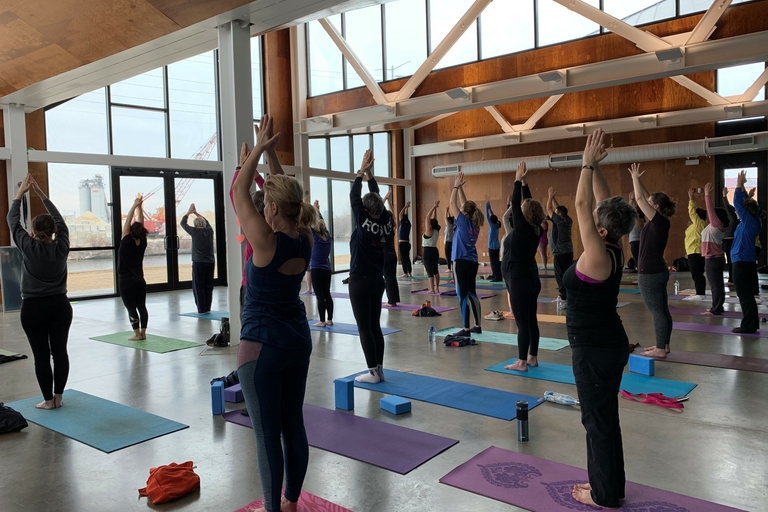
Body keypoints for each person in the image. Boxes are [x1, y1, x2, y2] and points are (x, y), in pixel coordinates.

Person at [233, 114, 317, 512]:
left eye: (266, 204)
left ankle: (273, 510)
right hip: (297, 341)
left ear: (271, 209)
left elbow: (238, 193)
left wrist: (261, 153)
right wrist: (271, 158)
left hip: (262, 349)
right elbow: (287, 196)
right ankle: (290, 502)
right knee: (292, 426)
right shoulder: (305, 241)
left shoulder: (265, 243)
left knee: (267, 436)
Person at [564, 128, 636, 509]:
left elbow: (580, 204)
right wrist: (596, 169)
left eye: (597, 218)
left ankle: (603, 495)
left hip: (594, 350)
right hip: (609, 344)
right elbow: (600, 201)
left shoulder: (597, 254)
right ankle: (614, 486)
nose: (592, 216)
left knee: (596, 423)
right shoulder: (615, 245)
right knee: (607, 418)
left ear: (603, 229)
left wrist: (587, 163)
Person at [7, 174, 72, 410]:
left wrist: (21, 193)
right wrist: (41, 194)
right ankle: (59, 396)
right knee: (60, 353)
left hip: (34, 308)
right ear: (54, 230)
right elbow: (60, 220)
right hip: (60, 306)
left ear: (32, 230)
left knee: (42, 356)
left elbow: (12, 221)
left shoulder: (29, 246)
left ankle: (47, 401)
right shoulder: (62, 246)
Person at [349, 149, 392, 384]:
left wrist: (360, 172)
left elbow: (354, 195)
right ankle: (380, 370)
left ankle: (373, 372)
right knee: (375, 325)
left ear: (365, 209)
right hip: (378, 280)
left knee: (364, 327)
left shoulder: (363, 220)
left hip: (360, 280)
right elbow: (373, 196)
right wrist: (370, 174)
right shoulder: (386, 220)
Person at [502, 162, 545, 372]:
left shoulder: (523, 230)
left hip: (520, 280)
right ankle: (533, 357)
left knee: (522, 324)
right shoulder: (537, 228)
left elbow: (516, 202)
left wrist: (517, 180)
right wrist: (525, 183)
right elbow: (526, 202)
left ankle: (521, 362)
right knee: (530, 320)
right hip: (530, 278)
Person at [630, 162, 675, 358]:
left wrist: (633, 178)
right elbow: (646, 198)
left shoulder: (657, 221)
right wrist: (639, 181)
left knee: (657, 311)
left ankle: (660, 348)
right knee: (662, 310)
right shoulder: (660, 221)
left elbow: (640, 199)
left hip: (649, 272)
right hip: (658, 270)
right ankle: (663, 345)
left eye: (651, 203)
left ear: (655, 207)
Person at [449, 172, 484, 336]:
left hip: (460, 262)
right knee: (472, 293)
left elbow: (452, 203)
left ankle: (465, 329)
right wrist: (461, 189)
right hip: (472, 262)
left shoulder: (463, 221)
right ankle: (477, 325)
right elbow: (465, 204)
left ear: (465, 213)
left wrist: (456, 186)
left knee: (462, 294)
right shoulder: (474, 223)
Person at [730, 170, 762, 333]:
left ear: (746, 211)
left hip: (742, 262)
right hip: (746, 261)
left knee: (744, 295)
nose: (738, 212)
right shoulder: (753, 221)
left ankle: (748, 325)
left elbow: (737, 202)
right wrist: (744, 190)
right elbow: (742, 202)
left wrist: (738, 185)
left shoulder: (748, 221)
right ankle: (751, 323)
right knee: (746, 295)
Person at [118, 193, 149, 341]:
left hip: (126, 280)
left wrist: (135, 206)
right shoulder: (142, 242)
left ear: (130, 231)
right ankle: (143, 332)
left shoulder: (126, 239)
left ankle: (137, 334)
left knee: (131, 307)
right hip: (139, 279)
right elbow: (140, 223)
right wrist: (140, 208)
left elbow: (127, 221)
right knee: (142, 306)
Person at [701, 182, 730, 316]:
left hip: (712, 259)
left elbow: (710, 210)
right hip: (715, 258)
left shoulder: (716, 224)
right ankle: (718, 306)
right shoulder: (715, 226)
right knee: (717, 285)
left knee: (715, 286)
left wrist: (707, 194)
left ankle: (716, 308)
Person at [180, 203, 215, 314]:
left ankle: (201, 309)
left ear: (195, 225)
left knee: (198, 286)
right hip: (210, 262)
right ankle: (207, 308)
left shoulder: (194, 232)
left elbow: (183, 223)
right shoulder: (209, 231)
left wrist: (189, 213)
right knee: (208, 285)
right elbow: (207, 222)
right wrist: (196, 213)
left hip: (199, 262)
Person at [547, 187, 574, 303]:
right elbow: (557, 209)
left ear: (559, 214)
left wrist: (550, 197)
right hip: (568, 252)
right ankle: (568, 295)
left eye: (557, 212)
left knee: (560, 276)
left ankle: (563, 297)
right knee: (567, 274)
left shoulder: (559, 221)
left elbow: (548, 208)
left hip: (560, 252)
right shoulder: (568, 220)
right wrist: (554, 199)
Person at [310, 201, 333, 327]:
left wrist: (311, 209)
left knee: (320, 296)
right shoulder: (327, 237)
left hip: (316, 270)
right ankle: (329, 319)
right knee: (327, 294)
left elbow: (308, 223)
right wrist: (317, 210)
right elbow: (321, 222)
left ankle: (322, 321)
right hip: (326, 269)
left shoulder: (315, 236)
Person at [683, 188, 708, 301]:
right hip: (694, 251)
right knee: (696, 274)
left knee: (697, 274)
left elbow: (692, 210)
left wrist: (691, 197)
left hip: (696, 252)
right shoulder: (697, 225)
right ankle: (700, 292)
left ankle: (700, 294)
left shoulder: (699, 223)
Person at [382, 190, 401, 306]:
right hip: (393, 255)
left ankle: (391, 301)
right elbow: (394, 215)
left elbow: (379, 210)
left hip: (385, 255)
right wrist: (388, 201)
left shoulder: (383, 228)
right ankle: (395, 299)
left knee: (388, 278)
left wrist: (385, 198)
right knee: (392, 277)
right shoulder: (392, 228)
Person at [422, 201, 441, 294]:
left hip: (428, 252)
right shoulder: (436, 230)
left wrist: (433, 206)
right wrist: (435, 208)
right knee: (435, 270)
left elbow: (427, 217)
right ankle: (437, 288)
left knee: (430, 272)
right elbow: (434, 219)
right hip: (434, 250)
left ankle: (432, 289)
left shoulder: (429, 231)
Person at [722, 186, 739, 285]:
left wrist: (724, 197)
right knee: (730, 259)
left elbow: (727, 208)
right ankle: (732, 277)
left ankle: (732, 279)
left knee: (730, 260)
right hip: (728, 240)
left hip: (729, 240)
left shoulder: (732, 218)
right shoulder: (733, 220)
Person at [627, 192, 645, 272]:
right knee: (637, 257)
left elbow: (631, 212)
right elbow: (629, 211)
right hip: (634, 240)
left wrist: (632, 202)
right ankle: (639, 269)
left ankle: (640, 270)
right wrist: (631, 200)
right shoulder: (635, 220)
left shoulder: (639, 220)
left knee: (638, 257)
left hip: (636, 241)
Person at [485, 202, 502, 282]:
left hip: (492, 247)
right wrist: (490, 209)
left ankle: (496, 277)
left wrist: (486, 207)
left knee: (493, 263)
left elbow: (487, 217)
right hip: (496, 246)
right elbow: (492, 216)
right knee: (496, 262)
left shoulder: (492, 226)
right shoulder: (497, 225)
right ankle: (496, 275)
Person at [398, 201, 413, 278]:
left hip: (403, 244)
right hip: (407, 244)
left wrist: (405, 206)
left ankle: (405, 273)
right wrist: (407, 207)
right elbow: (404, 215)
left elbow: (400, 214)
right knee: (407, 258)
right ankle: (409, 272)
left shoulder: (403, 223)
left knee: (404, 259)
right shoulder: (408, 223)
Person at [443, 207, 455, 274]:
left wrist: (446, 210)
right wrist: (448, 212)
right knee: (452, 255)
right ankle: (452, 268)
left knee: (448, 256)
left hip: (448, 242)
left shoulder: (449, 226)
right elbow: (449, 218)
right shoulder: (453, 225)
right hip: (452, 242)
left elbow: (446, 218)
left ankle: (449, 268)